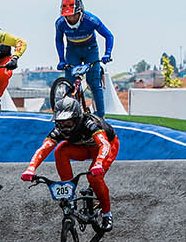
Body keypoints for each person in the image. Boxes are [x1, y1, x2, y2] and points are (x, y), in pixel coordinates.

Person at [20, 96, 119, 231]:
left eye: (68, 123)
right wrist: (31, 168)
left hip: (105, 147)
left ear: (77, 118)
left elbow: (104, 144)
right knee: (60, 151)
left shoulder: (89, 123)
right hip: (83, 148)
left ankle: (107, 214)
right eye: (61, 123)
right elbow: (43, 149)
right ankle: (69, 193)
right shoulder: (58, 130)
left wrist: (98, 163)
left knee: (94, 177)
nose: (64, 127)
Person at [54, 0, 114, 116]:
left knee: (94, 82)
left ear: (80, 12)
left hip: (90, 50)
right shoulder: (60, 23)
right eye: (67, 16)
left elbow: (109, 35)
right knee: (70, 83)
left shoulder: (91, 20)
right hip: (72, 51)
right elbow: (59, 40)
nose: (70, 18)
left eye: (73, 15)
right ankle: (71, 112)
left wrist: (107, 54)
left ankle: (100, 116)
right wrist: (61, 60)